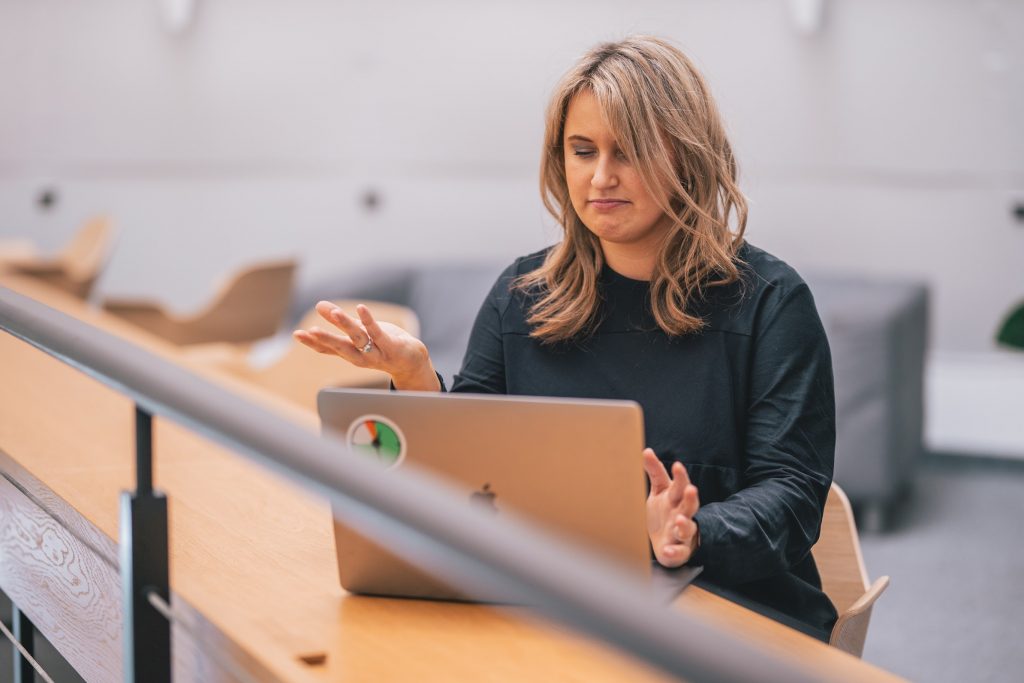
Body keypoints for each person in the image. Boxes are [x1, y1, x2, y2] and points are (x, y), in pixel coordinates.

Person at [295, 35, 838, 639]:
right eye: (582, 151)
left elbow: (794, 495)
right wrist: (417, 381)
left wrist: (690, 532)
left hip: (729, 616)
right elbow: (471, 477)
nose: (601, 177)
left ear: (686, 156)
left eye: (627, 152)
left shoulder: (770, 302)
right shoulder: (521, 296)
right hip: (554, 606)